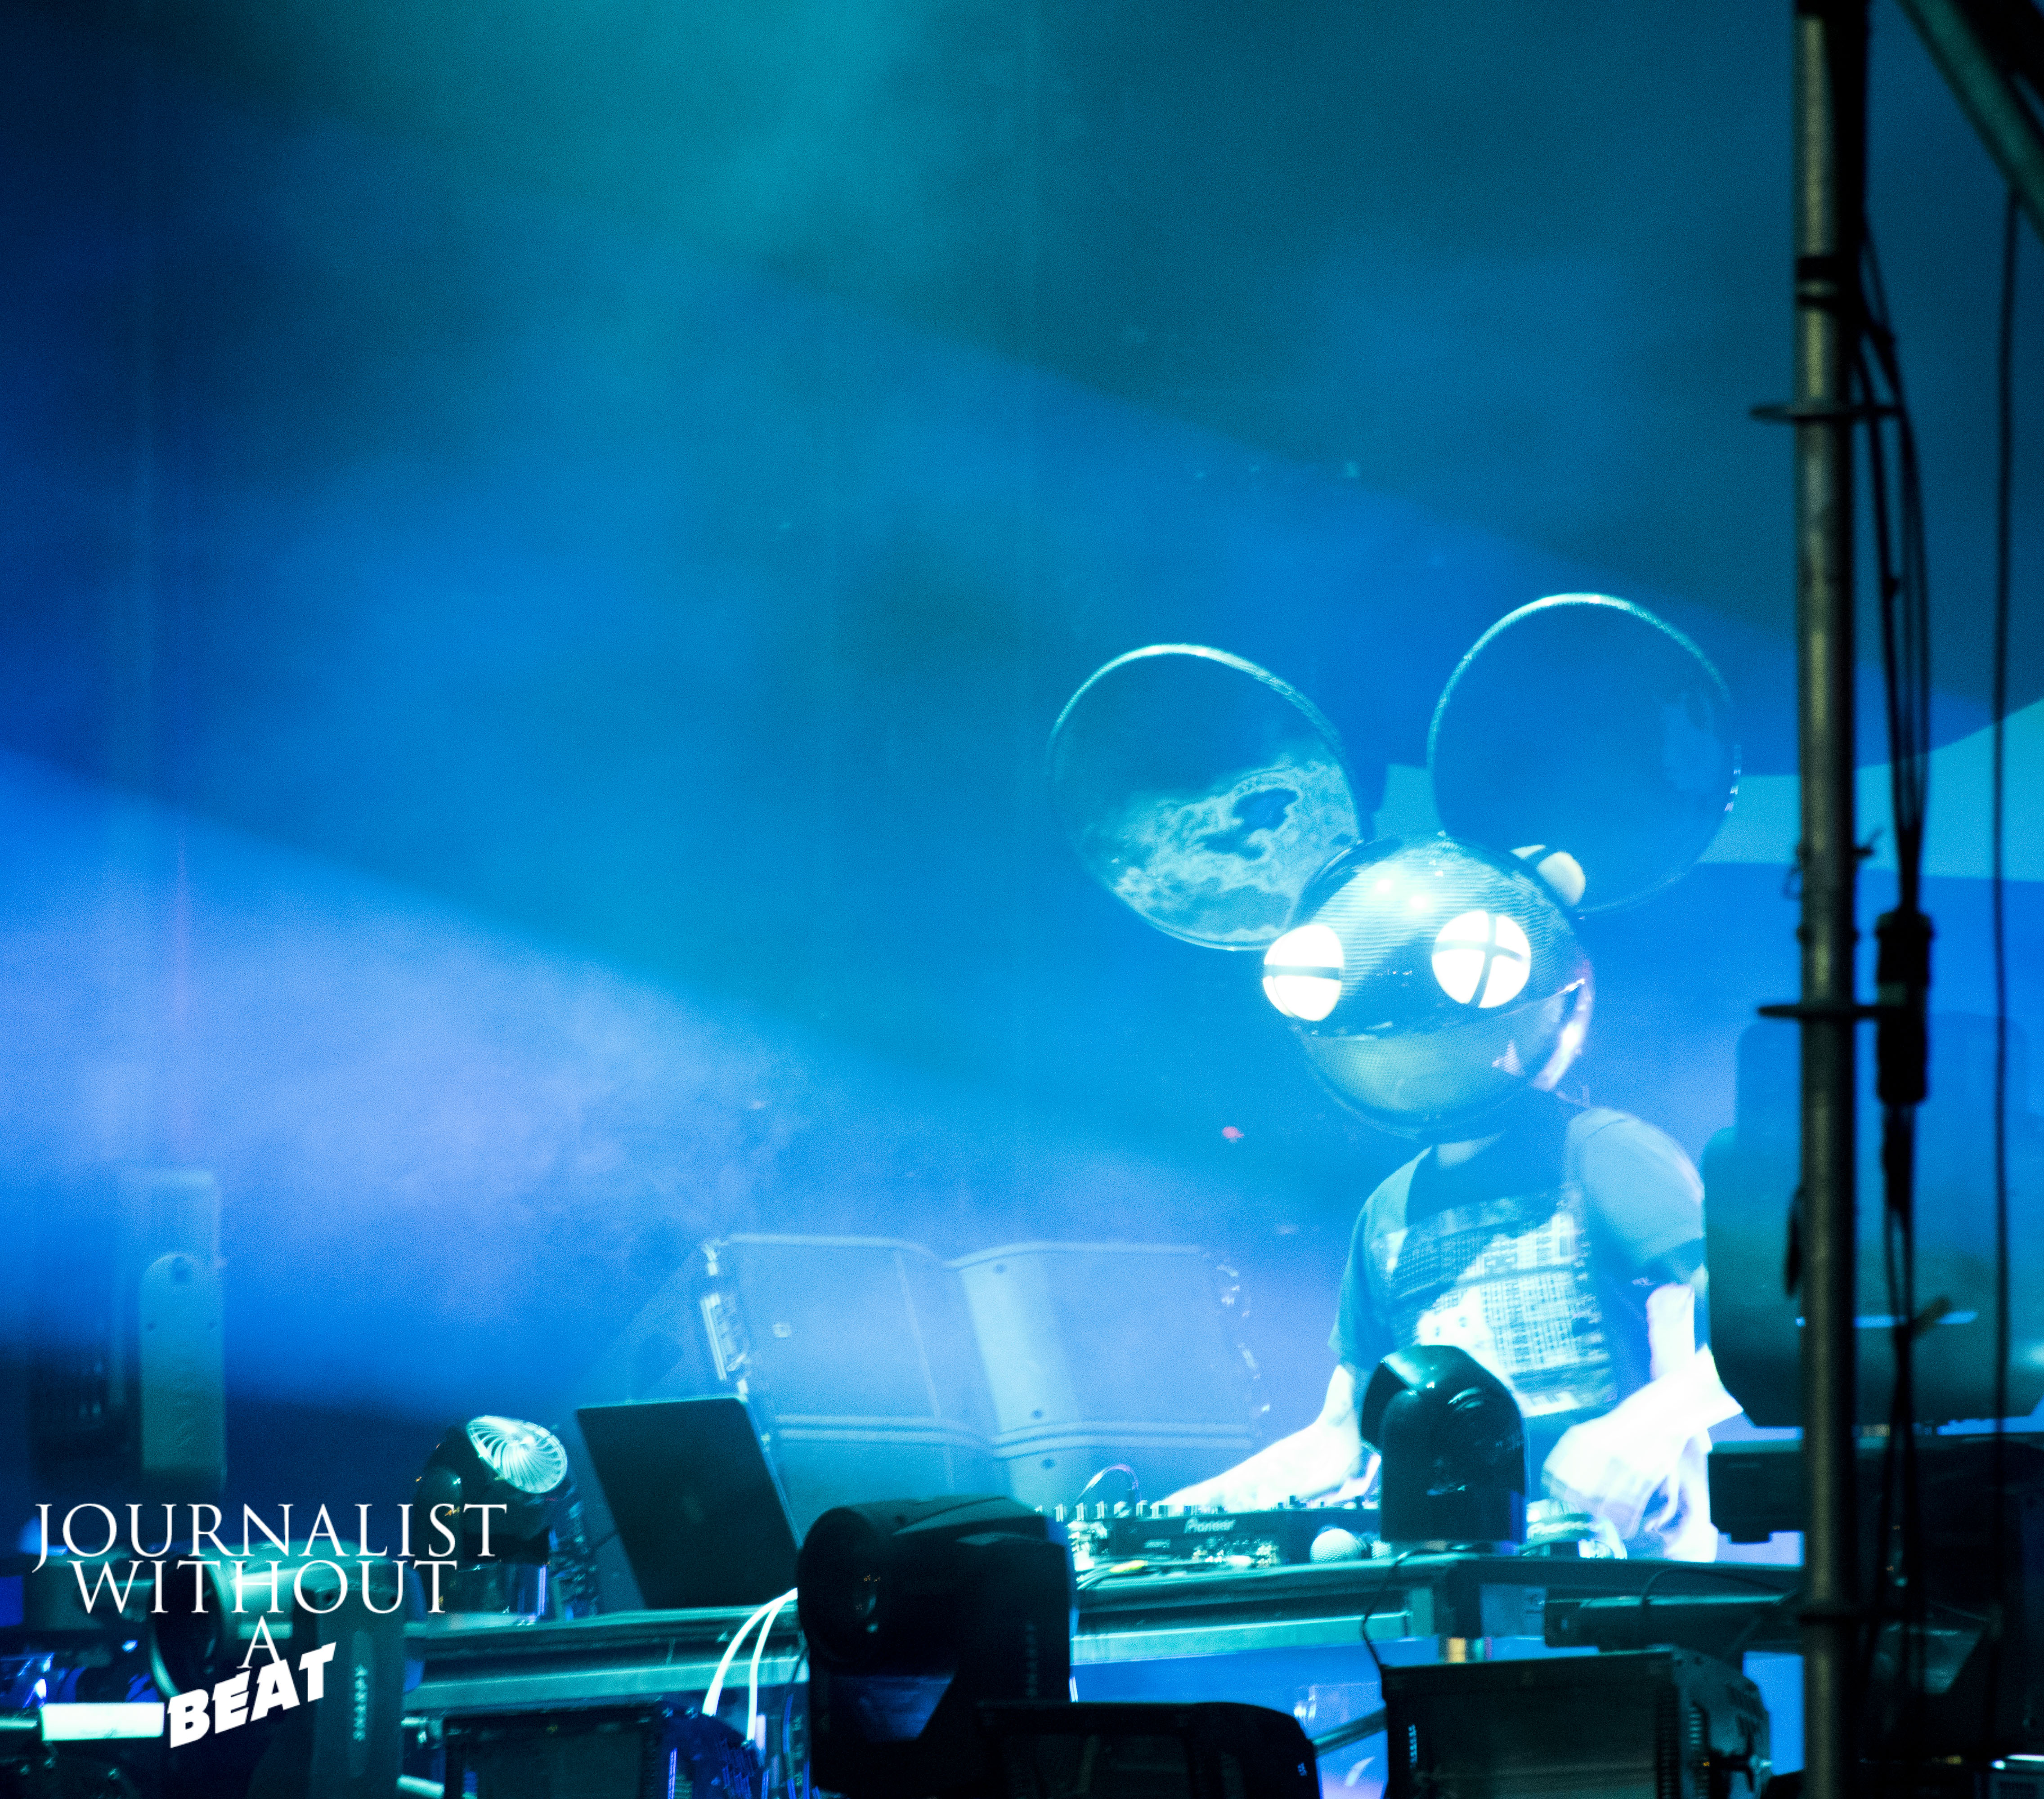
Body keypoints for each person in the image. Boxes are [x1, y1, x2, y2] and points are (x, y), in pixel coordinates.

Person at [1170, 1086, 1738, 1559]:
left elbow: (1766, 1327)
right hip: (1457, 1578)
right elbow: (1342, 1438)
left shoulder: (1604, 1150)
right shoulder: (1388, 1208)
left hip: (1629, 1575)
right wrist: (1190, 1511)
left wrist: (1646, 1427)